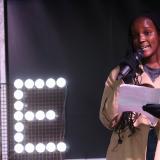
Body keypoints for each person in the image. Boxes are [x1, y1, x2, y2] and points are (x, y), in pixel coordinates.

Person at [99, 12, 160, 160]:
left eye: (147, 32)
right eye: (135, 35)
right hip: (126, 154)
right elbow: (107, 120)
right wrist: (123, 82)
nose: (141, 39)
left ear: (158, 34)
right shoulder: (120, 73)